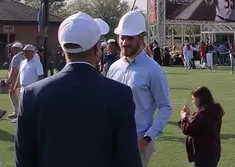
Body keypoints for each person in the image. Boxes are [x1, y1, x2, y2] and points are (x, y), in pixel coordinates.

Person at [14, 12, 141, 167]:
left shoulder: (32, 94)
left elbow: (24, 159)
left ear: (63, 49)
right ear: (96, 48)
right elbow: (128, 159)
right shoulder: (120, 94)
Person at [107, 10, 173, 167]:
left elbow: (165, 107)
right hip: (112, 141)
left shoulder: (153, 70)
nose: (125, 42)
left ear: (141, 39)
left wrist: (147, 138)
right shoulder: (114, 67)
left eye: (130, 38)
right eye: (122, 37)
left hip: (138, 141)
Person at [180, 86, 224, 167]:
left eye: (194, 99)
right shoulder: (214, 110)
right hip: (213, 151)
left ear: (200, 99)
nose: (193, 102)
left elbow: (188, 130)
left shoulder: (202, 114)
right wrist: (190, 117)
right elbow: (199, 127)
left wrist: (184, 118)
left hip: (203, 153)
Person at [6, 42, 25, 120]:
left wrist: (9, 79)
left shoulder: (16, 57)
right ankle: (16, 111)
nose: (12, 50)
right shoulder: (24, 56)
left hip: (16, 78)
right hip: (22, 78)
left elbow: (14, 70)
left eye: (13, 48)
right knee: (18, 95)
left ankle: (17, 112)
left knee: (13, 93)